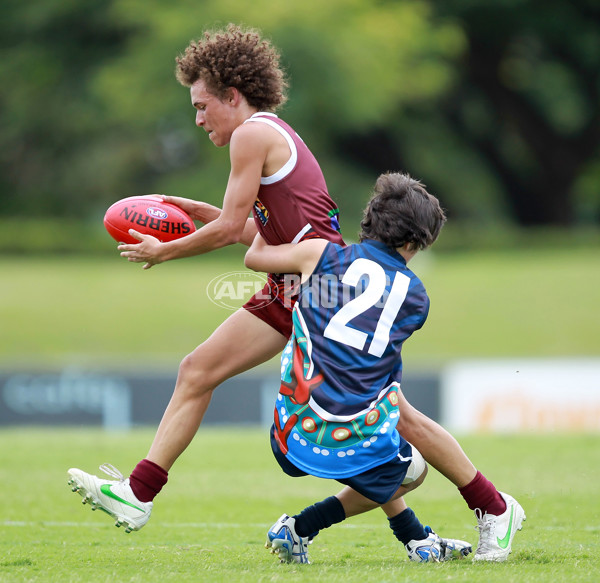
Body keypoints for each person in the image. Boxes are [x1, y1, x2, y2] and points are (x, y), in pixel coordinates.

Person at [66, 23, 524, 563]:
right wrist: (209, 217)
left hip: (312, 289)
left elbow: (240, 233)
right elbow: (256, 230)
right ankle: (446, 525)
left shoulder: (250, 135)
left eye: (201, 105)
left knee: (373, 411)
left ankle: (487, 508)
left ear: (231, 96)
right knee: (373, 412)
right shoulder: (268, 133)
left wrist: (163, 250)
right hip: (313, 284)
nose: (197, 119)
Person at [245, 172, 472, 564]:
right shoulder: (414, 296)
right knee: (409, 468)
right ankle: (301, 527)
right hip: (341, 435)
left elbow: (254, 257)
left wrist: (265, 214)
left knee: (377, 451)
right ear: (413, 242)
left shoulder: (318, 253)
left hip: (286, 432)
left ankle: (418, 541)